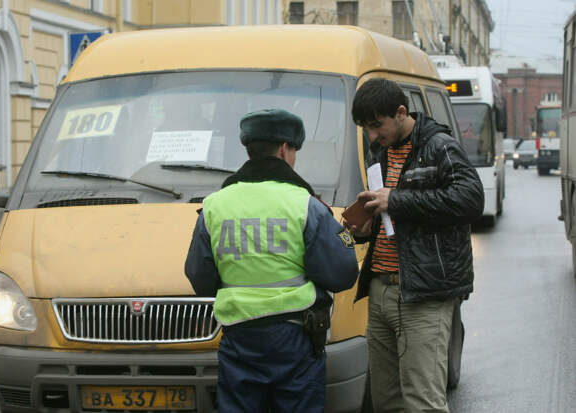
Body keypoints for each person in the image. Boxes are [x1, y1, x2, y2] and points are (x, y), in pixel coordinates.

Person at [185, 108, 359, 412]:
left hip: (238, 337)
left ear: (249, 149)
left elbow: (199, 278)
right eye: (295, 151)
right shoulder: (304, 205)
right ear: (284, 149)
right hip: (295, 337)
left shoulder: (214, 206)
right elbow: (342, 274)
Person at [344, 78, 484, 413]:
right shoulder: (379, 149)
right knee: (387, 401)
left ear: (401, 112)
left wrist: (397, 201)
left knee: (423, 402)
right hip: (380, 289)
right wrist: (366, 227)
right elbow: (391, 215)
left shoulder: (440, 146)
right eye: (366, 127)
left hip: (424, 294)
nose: (372, 135)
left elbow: (471, 199)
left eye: (377, 125)